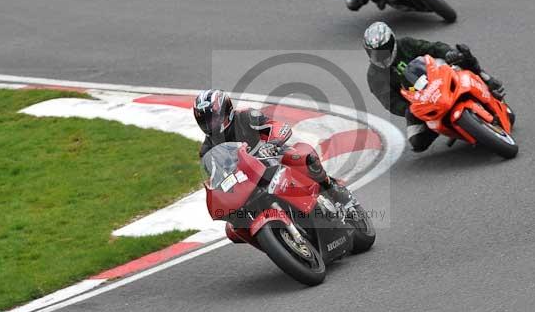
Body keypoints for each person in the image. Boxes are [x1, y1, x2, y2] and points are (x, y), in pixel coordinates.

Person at [362, 21, 507, 152]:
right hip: (418, 103)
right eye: (374, 53)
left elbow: (433, 48)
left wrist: (448, 53)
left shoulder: (405, 44)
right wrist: (408, 109)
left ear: (392, 42)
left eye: (384, 50)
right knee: (417, 143)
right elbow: (390, 102)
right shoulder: (374, 76)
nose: (379, 56)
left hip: (437, 79)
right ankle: (447, 127)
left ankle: (486, 79)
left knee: (461, 54)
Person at [193, 89, 352, 204]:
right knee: (233, 229)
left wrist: (272, 144)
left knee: (303, 157)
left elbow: (277, 127)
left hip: (272, 158)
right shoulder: (207, 150)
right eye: (205, 121)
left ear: (226, 111)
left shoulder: (247, 116)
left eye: (212, 119)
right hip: (247, 181)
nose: (209, 125)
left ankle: (331, 188)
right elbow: (215, 178)